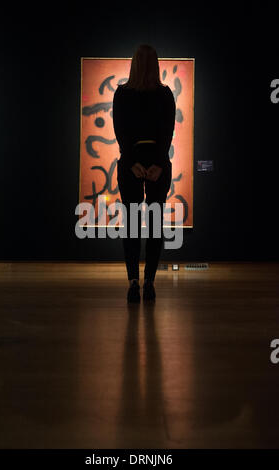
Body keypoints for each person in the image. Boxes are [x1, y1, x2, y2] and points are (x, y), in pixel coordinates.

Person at [112, 44, 176, 303]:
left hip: (131, 162)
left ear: (134, 64)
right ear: (156, 65)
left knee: (130, 225)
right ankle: (149, 281)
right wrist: (159, 163)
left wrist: (131, 162)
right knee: (155, 225)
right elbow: (167, 133)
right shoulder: (165, 94)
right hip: (157, 162)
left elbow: (121, 133)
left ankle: (133, 283)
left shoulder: (122, 94)